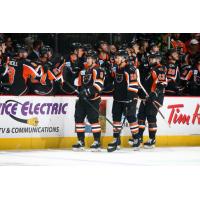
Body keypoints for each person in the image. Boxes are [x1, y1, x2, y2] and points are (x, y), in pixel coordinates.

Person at [131, 53, 167, 149]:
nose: (150, 60)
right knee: (141, 116)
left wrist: (155, 94)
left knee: (151, 117)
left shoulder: (160, 69)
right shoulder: (150, 70)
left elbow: (162, 83)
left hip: (155, 98)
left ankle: (152, 139)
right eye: (149, 59)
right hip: (147, 98)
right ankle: (139, 137)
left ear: (158, 59)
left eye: (152, 59)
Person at [107, 50, 139, 152]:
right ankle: (116, 139)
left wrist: (130, 99)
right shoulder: (115, 68)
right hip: (117, 99)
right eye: (115, 57)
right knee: (116, 119)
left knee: (131, 118)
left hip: (129, 99)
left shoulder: (130, 69)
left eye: (118, 57)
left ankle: (136, 139)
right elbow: (112, 81)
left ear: (124, 58)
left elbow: (134, 85)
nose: (116, 59)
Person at [72, 53, 105, 151]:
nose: (87, 60)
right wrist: (78, 90)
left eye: (89, 58)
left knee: (93, 120)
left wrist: (86, 92)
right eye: (87, 58)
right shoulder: (83, 71)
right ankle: (81, 141)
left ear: (94, 60)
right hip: (82, 100)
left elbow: (99, 85)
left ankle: (97, 142)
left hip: (93, 100)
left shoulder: (99, 70)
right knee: (78, 118)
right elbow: (78, 84)